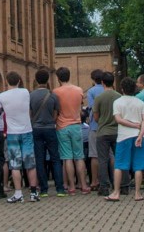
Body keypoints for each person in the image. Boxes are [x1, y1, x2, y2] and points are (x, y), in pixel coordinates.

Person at [0, 71, 40, 203]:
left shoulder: (2, 96)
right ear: (19, 81)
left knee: (15, 165)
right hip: (27, 131)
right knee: (30, 163)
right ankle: (34, 193)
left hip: (12, 133)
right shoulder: (25, 92)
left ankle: (18, 193)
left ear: (6, 81)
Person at [106, 77, 144, 202]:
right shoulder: (139, 102)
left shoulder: (118, 102)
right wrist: (140, 133)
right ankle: (137, 193)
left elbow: (118, 119)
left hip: (123, 136)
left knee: (119, 165)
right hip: (138, 136)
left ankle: (116, 192)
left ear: (122, 89)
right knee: (138, 166)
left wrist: (131, 125)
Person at [53, 66, 89, 194]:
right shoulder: (78, 90)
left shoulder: (55, 92)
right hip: (76, 125)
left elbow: (55, 111)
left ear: (58, 78)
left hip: (62, 126)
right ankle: (84, 185)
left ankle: (71, 187)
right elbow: (80, 109)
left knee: (67, 157)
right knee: (79, 157)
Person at [30, 68, 65, 197]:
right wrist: (51, 121)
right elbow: (56, 113)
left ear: (36, 80)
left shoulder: (31, 95)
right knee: (55, 158)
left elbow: (30, 113)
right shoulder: (53, 96)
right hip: (50, 128)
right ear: (47, 80)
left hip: (36, 129)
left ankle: (44, 190)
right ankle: (60, 189)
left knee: (39, 159)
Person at [92, 71, 120, 197]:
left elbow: (96, 117)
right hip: (117, 131)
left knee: (103, 160)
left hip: (103, 132)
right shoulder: (119, 96)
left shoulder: (99, 98)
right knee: (119, 159)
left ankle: (104, 187)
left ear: (102, 82)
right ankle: (122, 185)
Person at [86, 68, 105, 188]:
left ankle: (94, 181)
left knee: (94, 155)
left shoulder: (91, 91)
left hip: (94, 126)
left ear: (93, 79)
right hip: (108, 125)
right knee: (110, 154)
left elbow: (92, 108)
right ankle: (112, 178)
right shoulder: (109, 90)